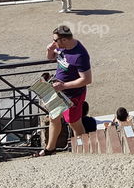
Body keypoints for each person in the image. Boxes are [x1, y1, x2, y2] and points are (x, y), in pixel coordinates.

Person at [35, 25, 92, 156]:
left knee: (74, 123)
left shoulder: (80, 55)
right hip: (58, 90)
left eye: (55, 40)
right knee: (53, 118)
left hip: (73, 94)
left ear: (64, 40)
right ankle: (50, 149)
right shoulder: (61, 46)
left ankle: (84, 150)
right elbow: (51, 57)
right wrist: (49, 50)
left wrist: (64, 85)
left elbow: (87, 79)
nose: (53, 42)